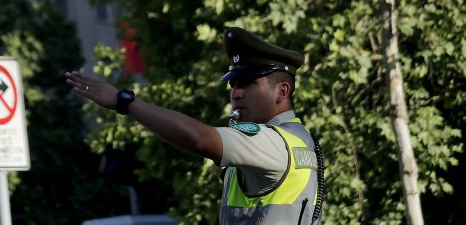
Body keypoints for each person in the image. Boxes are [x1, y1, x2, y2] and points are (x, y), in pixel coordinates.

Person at [65, 26, 323, 224]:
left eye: (247, 84)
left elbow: (199, 139)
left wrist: (125, 102)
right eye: (233, 85)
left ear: (282, 91)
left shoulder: (272, 143)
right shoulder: (298, 139)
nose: (236, 94)